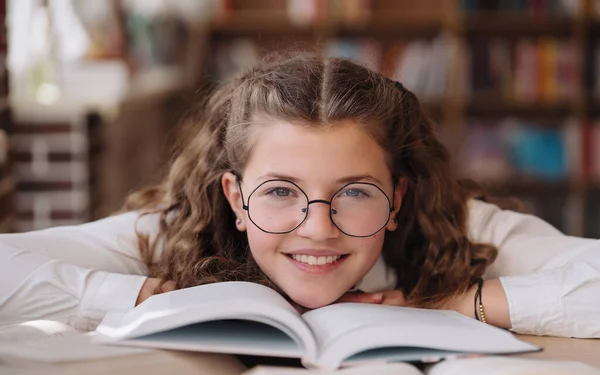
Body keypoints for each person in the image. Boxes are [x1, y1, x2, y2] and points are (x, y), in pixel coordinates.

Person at [1, 53, 599, 338]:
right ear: (234, 197)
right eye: (282, 191)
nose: (317, 228)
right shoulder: (173, 230)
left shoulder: (464, 227)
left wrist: (452, 305)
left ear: (398, 198)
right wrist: (152, 294)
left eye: (357, 193)